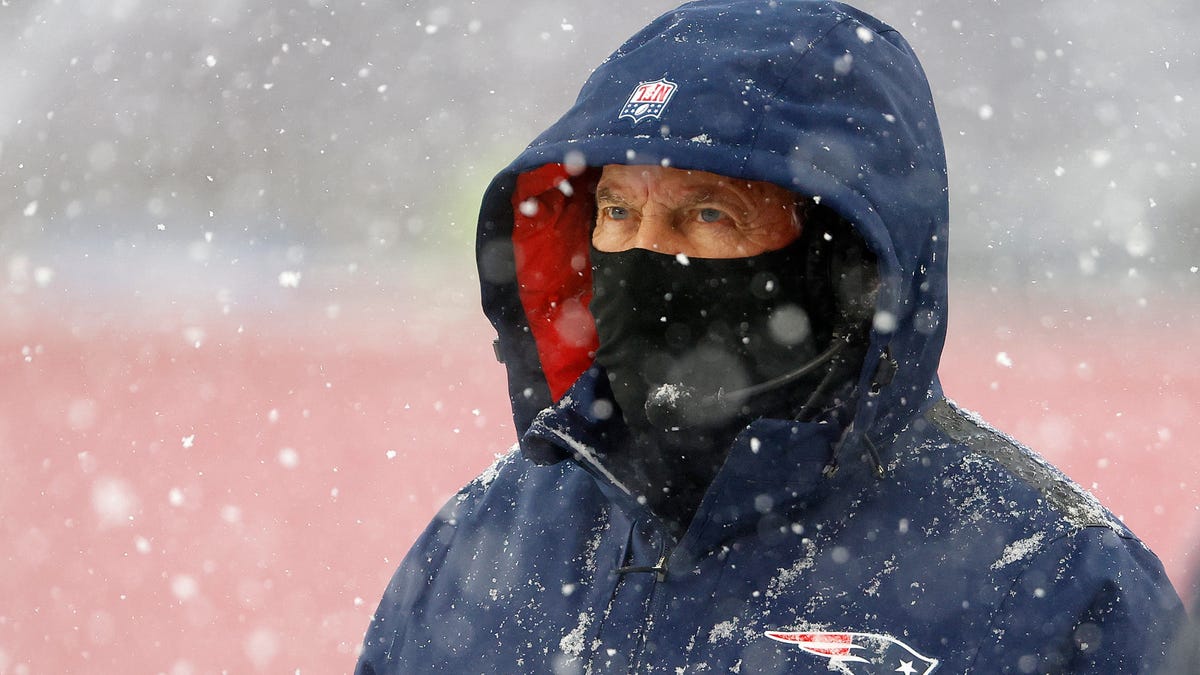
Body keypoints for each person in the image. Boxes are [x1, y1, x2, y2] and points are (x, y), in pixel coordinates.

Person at [356, 1, 1186, 672]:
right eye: (616, 210)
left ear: (844, 262)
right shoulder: (481, 544)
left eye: (707, 213)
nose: (645, 252)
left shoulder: (1055, 584)